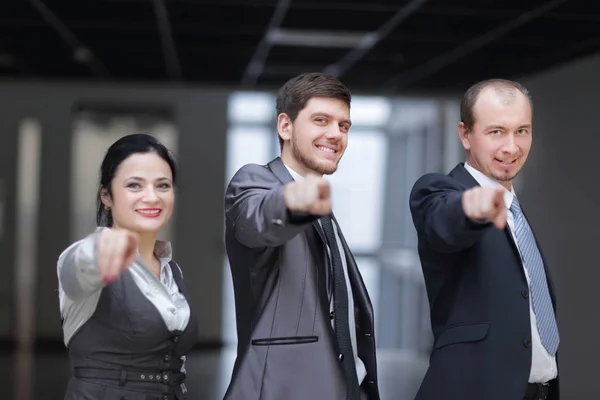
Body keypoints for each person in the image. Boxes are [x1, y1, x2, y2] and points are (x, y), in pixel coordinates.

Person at [223, 72, 379, 400]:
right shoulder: (257, 181)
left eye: (344, 125)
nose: (335, 134)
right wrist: (293, 200)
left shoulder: (322, 205)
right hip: (284, 389)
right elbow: (258, 219)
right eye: (321, 120)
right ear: (285, 126)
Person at [409, 79, 560, 400]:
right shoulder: (440, 191)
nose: (511, 147)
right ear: (465, 134)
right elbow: (444, 222)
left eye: (522, 131)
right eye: (496, 132)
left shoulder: (516, 210)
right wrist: (471, 207)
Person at [57, 133, 198, 400]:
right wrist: (98, 249)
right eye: (134, 185)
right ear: (106, 196)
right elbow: (75, 273)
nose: (152, 197)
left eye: (163, 186)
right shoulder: (86, 255)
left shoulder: (171, 270)